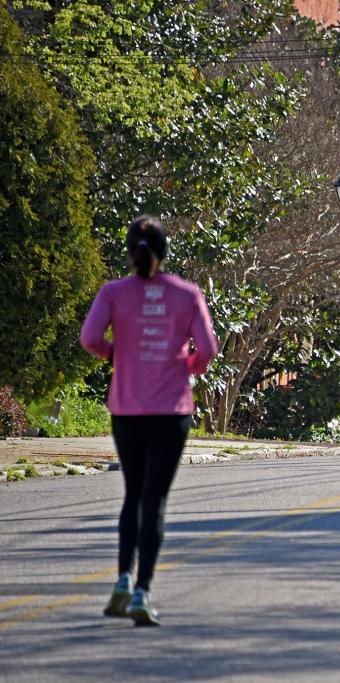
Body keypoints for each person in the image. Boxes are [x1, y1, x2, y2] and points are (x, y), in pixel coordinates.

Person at [80, 215, 218, 626]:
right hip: (171, 410)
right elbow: (207, 349)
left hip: (126, 408)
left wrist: (115, 355)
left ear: (130, 252)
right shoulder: (186, 294)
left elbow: (90, 338)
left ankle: (121, 580)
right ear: (165, 251)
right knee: (154, 500)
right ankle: (142, 590)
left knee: (132, 494)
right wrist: (188, 366)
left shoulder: (113, 292)